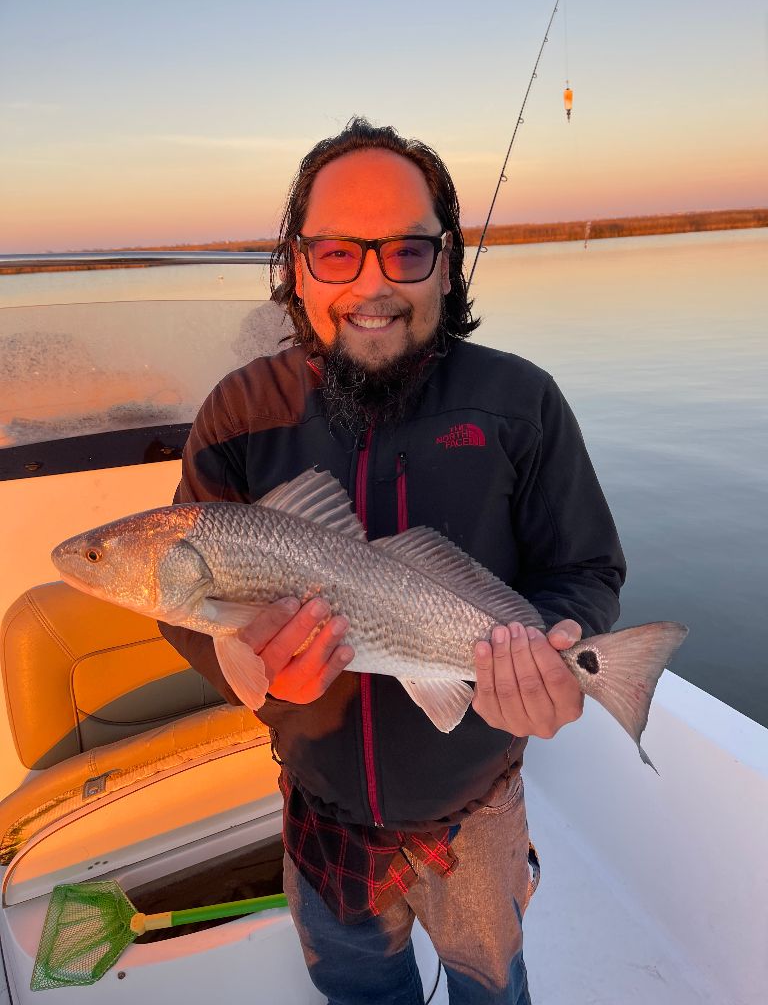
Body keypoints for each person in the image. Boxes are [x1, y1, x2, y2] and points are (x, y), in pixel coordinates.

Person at [160, 117, 625, 1004]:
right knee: (359, 991)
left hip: (477, 807)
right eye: (337, 253)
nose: (372, 284)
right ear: (296, 265)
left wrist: (569, 639)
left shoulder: (520, 403)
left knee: (493, 986)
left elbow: (585, 567)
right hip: (319, 808)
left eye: (407, 250)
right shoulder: (238, 413)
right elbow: (183, 603)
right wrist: (255, 674)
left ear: (447, 264)